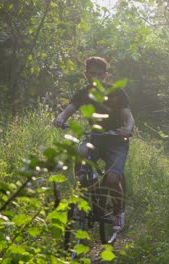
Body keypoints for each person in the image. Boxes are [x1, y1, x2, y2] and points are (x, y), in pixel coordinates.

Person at [53, 56, 134, 230]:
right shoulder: (83, 93)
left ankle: (118, 213)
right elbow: (68, 110)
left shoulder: (117, 92)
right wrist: (60, 118)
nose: (95, 77)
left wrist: (128, 128)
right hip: (95, 138)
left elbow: (128, 117)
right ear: (86, 74)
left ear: (105, 75)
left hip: (116, 140)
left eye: (99, 74)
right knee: (81, 153)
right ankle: (83, 191)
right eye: (92, 73)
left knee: (112, 179)